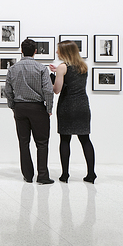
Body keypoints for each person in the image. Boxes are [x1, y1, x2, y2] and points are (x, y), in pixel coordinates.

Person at [5, 38, 54, 184]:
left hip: (20, 107)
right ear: (35, 51)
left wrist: (12, 105)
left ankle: (28, 175)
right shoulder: (41, 68)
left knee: (23, 142)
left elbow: (8, 91)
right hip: (38, 107)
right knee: (42, 142)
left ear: (21, 50)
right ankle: (43, 175)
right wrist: (49, 108)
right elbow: (48, 91)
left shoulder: (13, 69)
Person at [49, 40, 96, 184]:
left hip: (67, 106)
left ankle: (64, 174)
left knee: (65, 139)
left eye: (58, 50)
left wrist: (54, 77)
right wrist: (58, 71)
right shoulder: (83, 66)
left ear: (65, 52)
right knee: (85, 139)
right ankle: (91, 173)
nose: (57, 52)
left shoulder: (63, 67)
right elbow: (73, 80)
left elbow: (56, 90)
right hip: (82, 105)